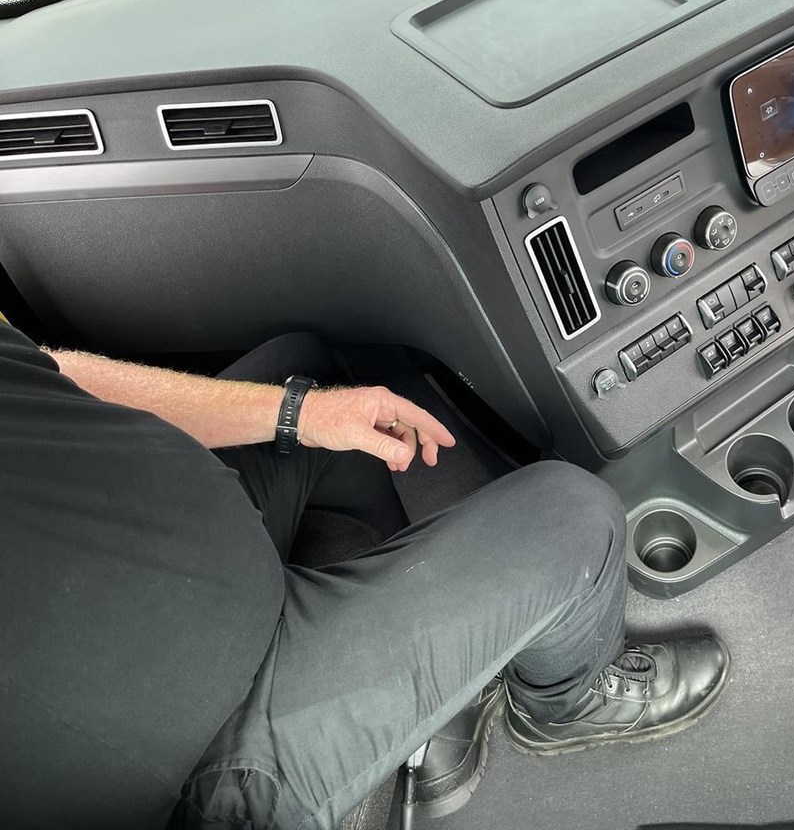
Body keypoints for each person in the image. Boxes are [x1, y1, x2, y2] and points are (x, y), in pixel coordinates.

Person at [0, 321, 729, 830]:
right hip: (199, 745)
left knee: (305, 371)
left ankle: (415, 694)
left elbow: (45, 373)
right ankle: (560, 706)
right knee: (576, 518)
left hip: (187, 529)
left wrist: (295, 413)